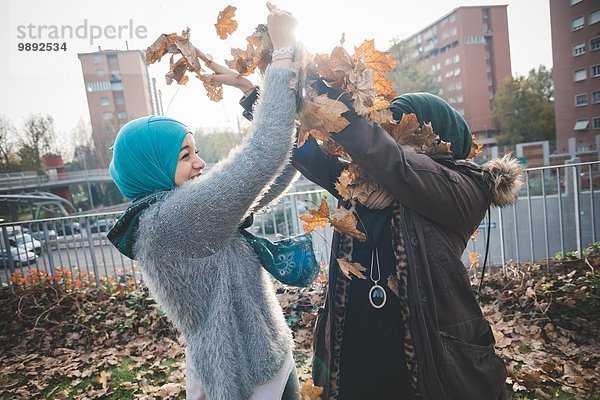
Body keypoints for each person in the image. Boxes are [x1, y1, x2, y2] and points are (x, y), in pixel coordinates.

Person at [212, 65, 522, 398]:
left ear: (437, 140)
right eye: (387, 130)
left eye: (399, 132)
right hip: (359, 339)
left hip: (422, 348)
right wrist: (255, 95)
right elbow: (311, 157)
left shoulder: (460, 190)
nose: (389, 137)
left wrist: (322, 86)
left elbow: (389, 161)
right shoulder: (374, 184)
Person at [107, 8, 302, 400]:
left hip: (265, 358)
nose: (200, 163)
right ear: (152, 166)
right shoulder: (170, 220)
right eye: (184, 156)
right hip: (244, 379)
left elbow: (277, 168)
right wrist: (282, 54)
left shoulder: (179, 212)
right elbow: (263, 154)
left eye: (195, 151)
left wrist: (251, 92)